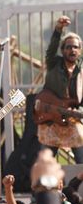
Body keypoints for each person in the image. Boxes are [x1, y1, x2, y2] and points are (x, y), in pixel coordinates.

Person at [35, 15, 83, 163]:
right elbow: (51, 49)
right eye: (68, 47)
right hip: (51, 120)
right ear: (62, 50)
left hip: (72, 120)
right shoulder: (54, 63)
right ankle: (43, 186)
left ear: (80, 51)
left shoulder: (81, 72)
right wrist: (58, 29)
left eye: (75, 47)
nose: (72, 50)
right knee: (45, 163)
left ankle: (75, 186)